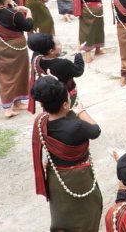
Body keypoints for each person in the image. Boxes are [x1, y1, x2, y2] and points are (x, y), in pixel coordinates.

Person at [31, 76, 103, 231]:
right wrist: (82, 112)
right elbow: (96, 131)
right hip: (78, 178)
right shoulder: (76, 127)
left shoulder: (41, 121)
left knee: (62, 212)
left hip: (56, 177)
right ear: (65, 104)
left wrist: (53, 84)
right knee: (88, 212)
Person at [27, 33, 85, 112]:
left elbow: (36, 50)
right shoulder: (64, 64)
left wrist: (39, 40)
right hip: (66, 98)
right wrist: (78, 52)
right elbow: (79, 70)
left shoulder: (36, 60)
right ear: (51, 51)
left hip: (49, 99)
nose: (61, 45)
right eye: (58, 44)